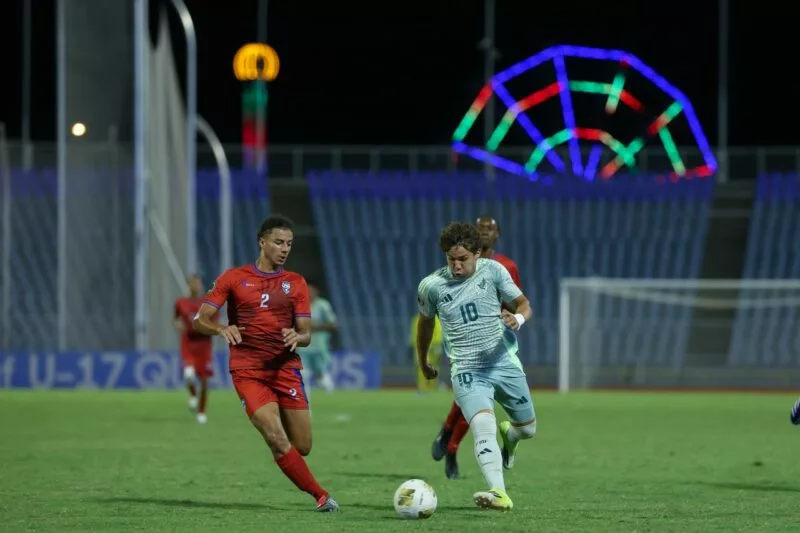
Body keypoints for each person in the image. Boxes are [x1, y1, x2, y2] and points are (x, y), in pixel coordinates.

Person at [192, 214, 339, 513]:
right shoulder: (233, 278)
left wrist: (296, 336)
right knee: (274, 436)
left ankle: (287, 455)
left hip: (286, 369)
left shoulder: (295, 283)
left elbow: (306, 334)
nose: (284, 249)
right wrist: (222, 329)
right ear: (262, 242)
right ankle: (321, 496)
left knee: (303, 446)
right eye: (278, 242)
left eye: (289, 244)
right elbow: (200, 320)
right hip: (248, 370)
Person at [416, 221, 536, 511]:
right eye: (451, 259)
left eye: (463, 259)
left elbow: (523, 304)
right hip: (466, 368)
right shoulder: (431, 286)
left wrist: (517, 320)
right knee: (483, 424)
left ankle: (512, 435)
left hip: (502, 361)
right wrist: (424, 361)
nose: (456, 266)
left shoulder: (494, 271)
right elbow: (425, 324)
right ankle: (498, 491)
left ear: (478, 254)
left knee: (528, 429)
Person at [430, 215, 523, 479]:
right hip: (464, 335)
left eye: (489, 229)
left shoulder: (504, 266)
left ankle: (450, 439)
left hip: (495, 337)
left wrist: (510, 316)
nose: (484, 232)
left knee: (478, 394)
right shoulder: (462, 262)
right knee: (474, 391)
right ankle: (451, 443)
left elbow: (515, 300)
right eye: (480, 228)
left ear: (497, 234)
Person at [173, 274, 216, 424]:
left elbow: (215, 323)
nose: (196, 286)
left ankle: (201, 411)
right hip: (188, 342)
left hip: (204, 345)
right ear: (188, 285)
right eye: (193, 283)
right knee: (188, 374)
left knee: (204, 381)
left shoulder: (208, 303)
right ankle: (192, 394)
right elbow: (176, 319)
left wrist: (208, 328)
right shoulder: (181, 303)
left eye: (198, 283)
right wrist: (178, 325)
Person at [296, 280, 337, 394]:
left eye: (310, 290)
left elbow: (333, 324)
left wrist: (315, 327)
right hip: (303, 345)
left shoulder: (323, 305)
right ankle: (305, 396)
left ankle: (331, 396)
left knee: (321, 372)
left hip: (319, 345)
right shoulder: (299, 304)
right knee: (303, 373)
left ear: (316, 291)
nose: (308, 293)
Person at [409, 313, 444, 393]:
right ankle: (428, 388)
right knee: (430, 367)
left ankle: (425, 388)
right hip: (431, 345)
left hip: (426, 346)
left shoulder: (417, 319)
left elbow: (415, 333)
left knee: (424, 367)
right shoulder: (436, 319)